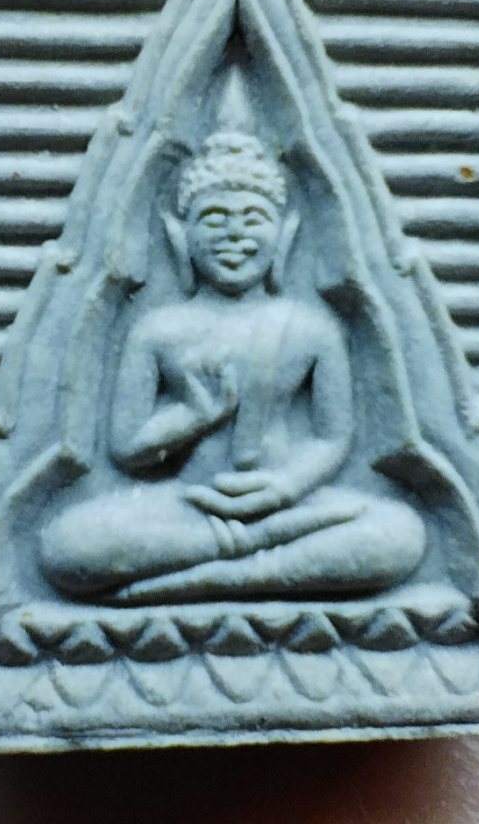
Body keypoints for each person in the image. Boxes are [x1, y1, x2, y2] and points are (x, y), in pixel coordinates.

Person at [40, 130, 425, 601]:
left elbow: (331, 438)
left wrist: (284, 488)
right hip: (189, 504)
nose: (234, 234)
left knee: (399, 532)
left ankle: (220, 571)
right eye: (214, 218)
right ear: (179, 236)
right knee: (67, 544)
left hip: (288, 506)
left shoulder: (311, 328)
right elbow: (126, 447)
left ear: (285, 235)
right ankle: (250, 557)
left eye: (254, 218)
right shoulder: (158, 329)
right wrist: (191, 417)